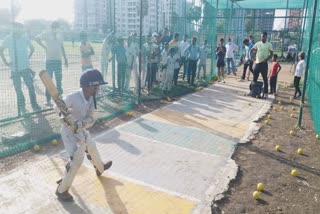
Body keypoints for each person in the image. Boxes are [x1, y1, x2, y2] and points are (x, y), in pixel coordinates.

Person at [55, 69, 112, 201]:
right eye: (96, 86)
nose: (98, 88)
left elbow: (91, 118)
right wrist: (64, 116)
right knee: (76, 161)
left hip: (81, 130)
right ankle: (61, 190)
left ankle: (100, 168)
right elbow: (57, 108)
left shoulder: (91, 98)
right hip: (69, 134)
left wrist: (80, 124)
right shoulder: (72, 97)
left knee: (92, 147)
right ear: (88, 86)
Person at [0, 22, 40, 114]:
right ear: (15, 29)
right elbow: (1, 49)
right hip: (14, 69)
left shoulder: (25, 37)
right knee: (18, 90)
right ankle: (22, 107)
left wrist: (27, 58)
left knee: (30, 87)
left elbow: (32, 48)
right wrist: (5, 61)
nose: (22, 31)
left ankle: (34, 105)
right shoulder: (9, 38)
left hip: (25, 68)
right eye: (20, 29)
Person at [35, 21, 68, 106]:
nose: (56, 28)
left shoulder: (60, 35)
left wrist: (65, 59)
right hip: (49, 61)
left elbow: (62, 47)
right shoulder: (47, 33)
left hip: (58, 61)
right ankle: (48, 99)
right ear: (52, 27)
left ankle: (59, 99)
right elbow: (37, 38)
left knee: (59, 80)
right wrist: (44, 47)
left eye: (57, 27)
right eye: (55, 27)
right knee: (48, 81)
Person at [249, 32, 273, 99]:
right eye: (261, 36)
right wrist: (250, 56)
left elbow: (271, 54)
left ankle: (265, 93)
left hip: (264, 64)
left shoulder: (269, 44)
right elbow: (251, 50)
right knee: (254, 78)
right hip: (257, 63)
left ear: (266, 37)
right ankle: (252, 91)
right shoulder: (258, 43)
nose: (262, 38)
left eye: (264, 36)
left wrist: (267, 59)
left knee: (265, 79)